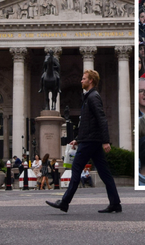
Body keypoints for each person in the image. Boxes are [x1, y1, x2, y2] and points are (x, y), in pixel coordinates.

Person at [47, 69, 121, 213]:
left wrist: (106, 141)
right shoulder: (89, 97)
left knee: (76, 170)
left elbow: (102, 119)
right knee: (105, 173)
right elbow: (87, 122)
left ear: (90, 81)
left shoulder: (93, 97)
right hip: (89, 140)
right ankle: (115, 203)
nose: (81, 80)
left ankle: (65, 202)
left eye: (84, 78)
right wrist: (77, 139)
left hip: (90, 141)